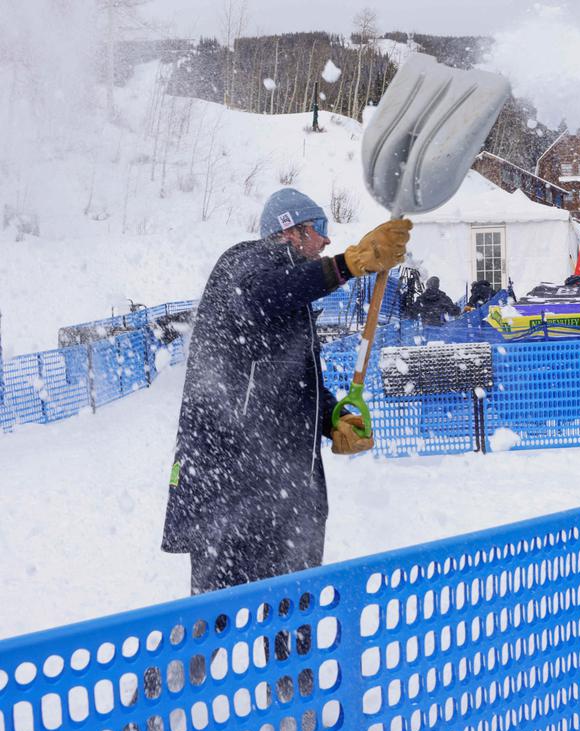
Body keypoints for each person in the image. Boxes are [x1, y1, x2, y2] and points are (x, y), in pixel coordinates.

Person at [162, 188, 412, 594]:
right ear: (292, 232)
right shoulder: (244, 264)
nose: (328, 240)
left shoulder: (293, 294)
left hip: (283, 490)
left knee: (292, 612)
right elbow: (261, 293)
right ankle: (179, 661)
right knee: (212, 616)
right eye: (321, 229)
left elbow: (298, 382)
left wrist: (334, 419)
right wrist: (346, 265)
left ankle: (292, 659)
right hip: (232, 486)